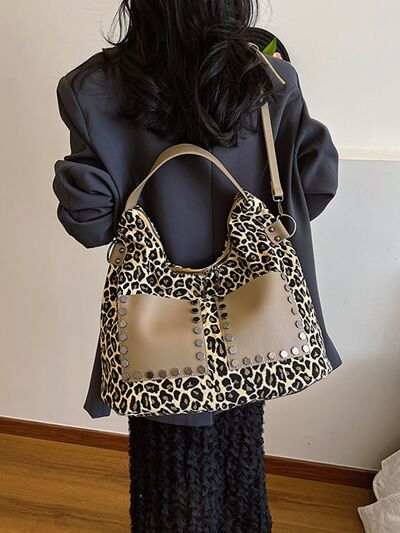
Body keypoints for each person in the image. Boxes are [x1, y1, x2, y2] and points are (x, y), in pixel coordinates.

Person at [52, 1, 342, 531]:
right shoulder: (269, 78)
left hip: (157, 340)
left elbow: (91, 224)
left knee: (169, 485)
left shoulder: (90, 90)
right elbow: (316, 184)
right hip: (252, 323)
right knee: (240, 461)